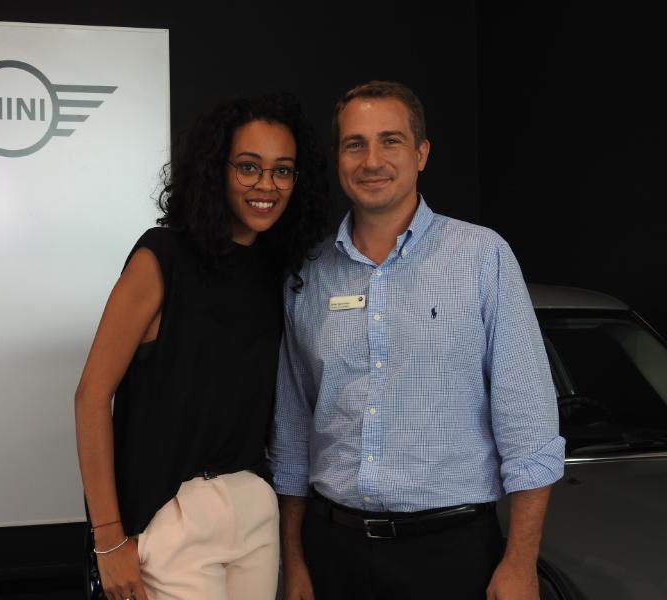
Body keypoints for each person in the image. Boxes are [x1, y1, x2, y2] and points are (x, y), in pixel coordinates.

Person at [269, 80, 565, 600]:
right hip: (332, 552)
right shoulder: (309, 275)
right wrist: (293, 560)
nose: (372, 160)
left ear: (421, 153)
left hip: (452, 555)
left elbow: (529, 427)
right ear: (338, 159)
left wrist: (520, 562)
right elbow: (292, 434)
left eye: (391, 141)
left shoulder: (482, 257)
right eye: (355, 144)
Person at [75, 93, 329, 600]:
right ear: (217, 169)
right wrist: (108, 538)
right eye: (249, 167)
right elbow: (91, 397)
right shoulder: (162, 257)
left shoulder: (279, 272)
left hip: (254, 510)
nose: (267, 185)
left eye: (282, 171)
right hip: (172, 516)